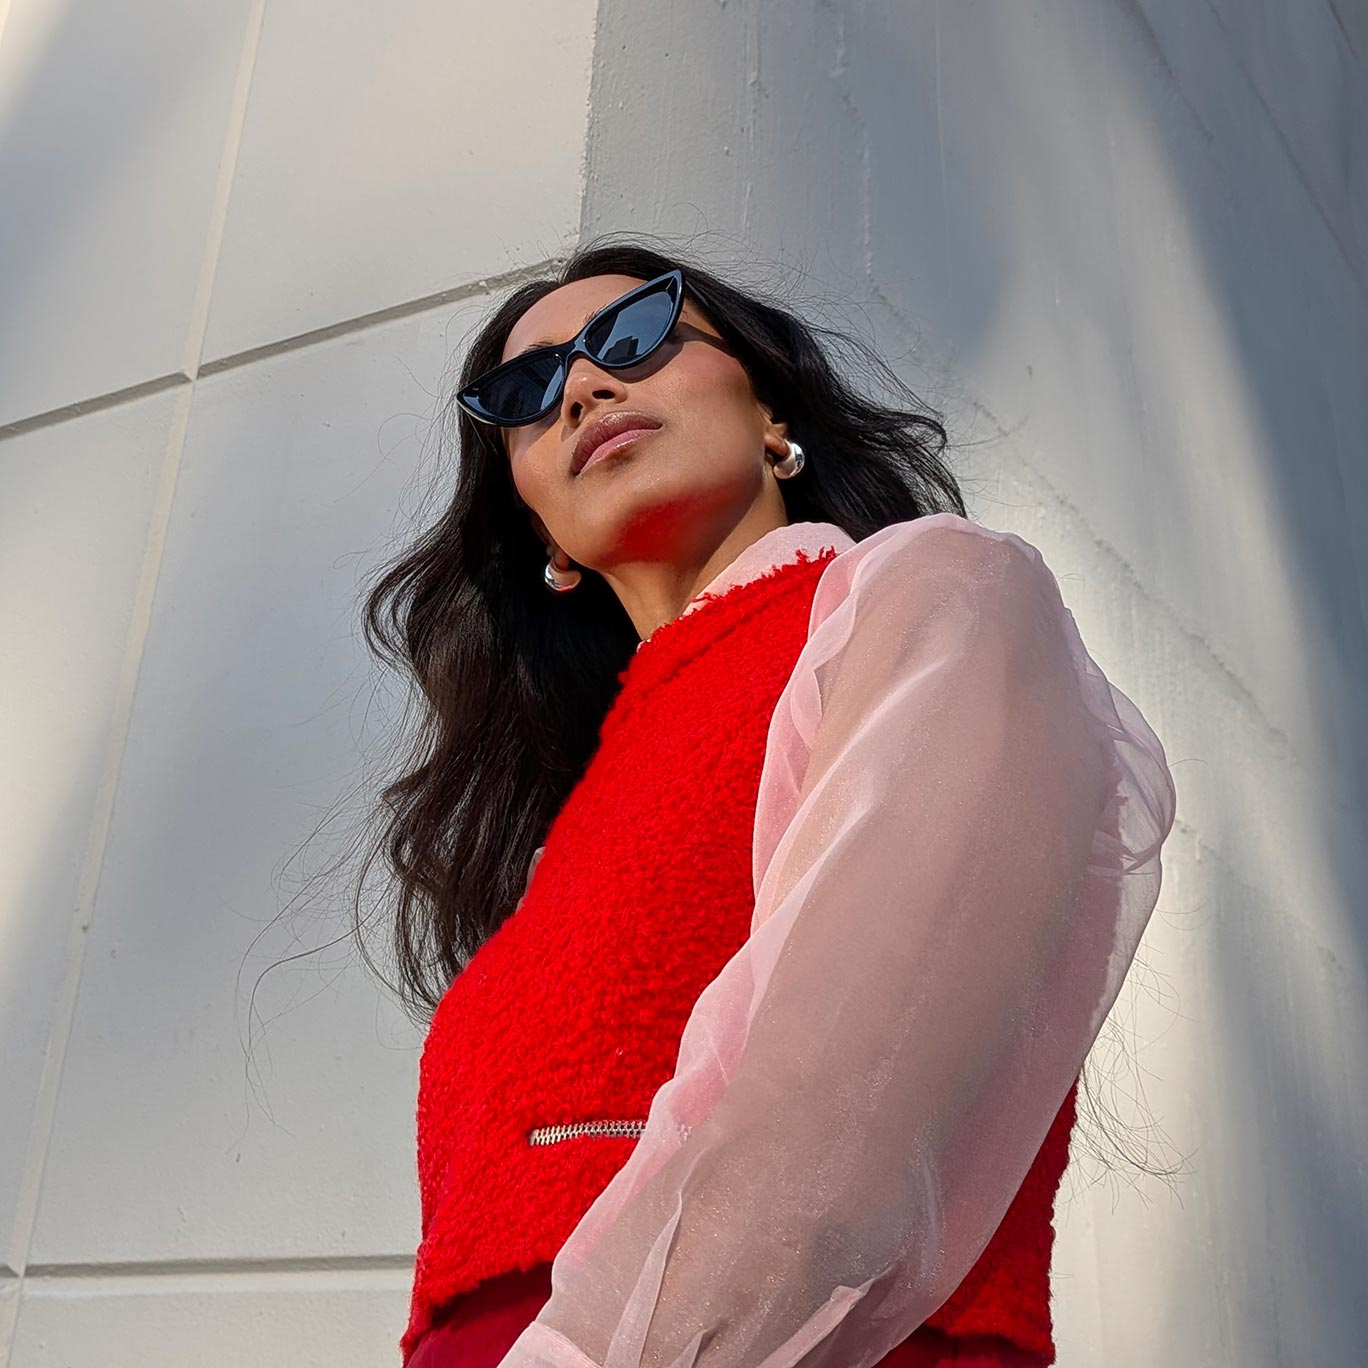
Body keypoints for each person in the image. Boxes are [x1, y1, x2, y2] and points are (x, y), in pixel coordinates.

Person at [357, 239, 1177, 1368]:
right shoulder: (572, 823)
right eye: (523, 393)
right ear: (539, 527)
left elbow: (832, 1126)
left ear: (769, 409)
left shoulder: (931, 598)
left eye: (636, 335)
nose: (585, 388)